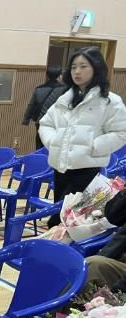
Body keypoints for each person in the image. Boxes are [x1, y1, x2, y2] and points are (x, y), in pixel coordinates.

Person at [39, 47, 126, 228]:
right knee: (60, 217)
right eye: (73, 67)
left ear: (96, 68)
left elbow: (121, 132)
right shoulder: (65, 98)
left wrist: (94, 147)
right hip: (61, 169)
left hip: (86, 170)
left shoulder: (110, 101)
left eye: (83, 66)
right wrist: (53, 142)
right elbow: (46, 123)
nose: (77, 71)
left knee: (69, 220)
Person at [21, 66, 64, 149]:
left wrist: (26, 119)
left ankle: (40, 157)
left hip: (40, 121)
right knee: (53, 146)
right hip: (55, 122)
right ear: (59, 76)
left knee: (39, 145)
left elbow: (31, 105)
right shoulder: (63, 90)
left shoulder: (39, 89)